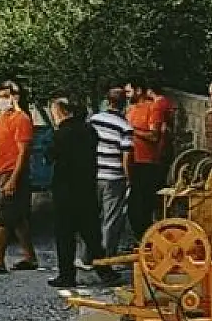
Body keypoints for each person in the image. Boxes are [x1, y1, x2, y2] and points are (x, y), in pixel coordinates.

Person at [46, 97, 122, 287]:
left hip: (65, 190)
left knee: (65, 235)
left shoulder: (62, 134)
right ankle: (105, 270)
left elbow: (50, 155)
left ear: (63, 112)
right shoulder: (89, 131)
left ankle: (67, 275)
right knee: (91, 233)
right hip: (86, 187)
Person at [0, 80, 39, 275]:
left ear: (16, 96)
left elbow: (23, 152)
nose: (1, 100)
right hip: (2, 173)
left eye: (5, 96)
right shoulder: (2, 117)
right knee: (18, 218)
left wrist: (13, 178)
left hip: (13, 173)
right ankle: (30, 258)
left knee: (1, 218)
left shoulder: (21, 119)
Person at [89, 85, 133, 257]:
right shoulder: (125, 127)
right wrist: (129, 178)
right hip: (114, 177)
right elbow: (126, 155)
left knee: (92, 216)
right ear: (125, 104)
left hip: (94, 174)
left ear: (107, 101)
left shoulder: (94, 120)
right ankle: (105, 257)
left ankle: (87, 255)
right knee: (111, 218)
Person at [124, 78, 163, 239]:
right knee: (133, 207)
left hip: (147, 162)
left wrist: (132, 131)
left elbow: (154, 136)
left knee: (144, 206)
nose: (127, 95)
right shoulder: (131, 109)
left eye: (129, 91)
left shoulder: (153, 108)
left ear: (138, 90)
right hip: (132, 161)